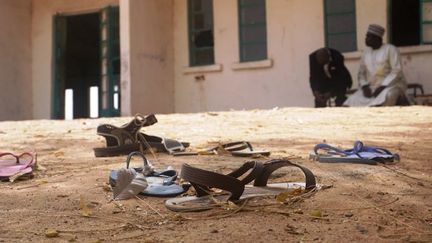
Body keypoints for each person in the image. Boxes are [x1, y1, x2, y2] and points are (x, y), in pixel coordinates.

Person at [343, 24, 407, 107]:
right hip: (371, 87)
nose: (366, 39)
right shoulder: (365, 52)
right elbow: (361, 74)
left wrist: (383, 86)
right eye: (366, 36)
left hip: (391, 86)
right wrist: (365, 87)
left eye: (369, 37)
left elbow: (396, 71)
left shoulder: (390, 49)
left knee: (389, 95)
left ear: (377, 38)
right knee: (351, 100)